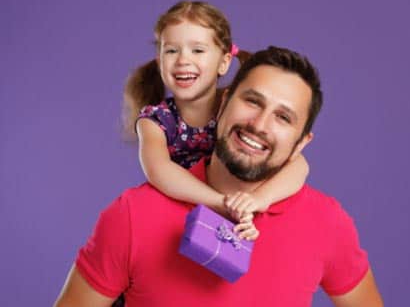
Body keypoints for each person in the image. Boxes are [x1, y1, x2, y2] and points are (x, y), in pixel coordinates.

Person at [55, 46, 383, 306]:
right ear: (224, 102)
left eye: (283, 117)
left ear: (301, 143)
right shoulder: (133, 215)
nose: (259, 124)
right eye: (252, 101)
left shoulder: (326, 222)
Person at [123, 0, 309, 238]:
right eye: (171, 50)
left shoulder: (236, 110)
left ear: (224, 62)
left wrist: (257, 201)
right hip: (181, 213)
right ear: (159, 62)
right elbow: (158, 170)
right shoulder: (155, 120)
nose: (182, 60)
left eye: (197, 50)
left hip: (239, 211)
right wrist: (222, 203)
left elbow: (299, 165)